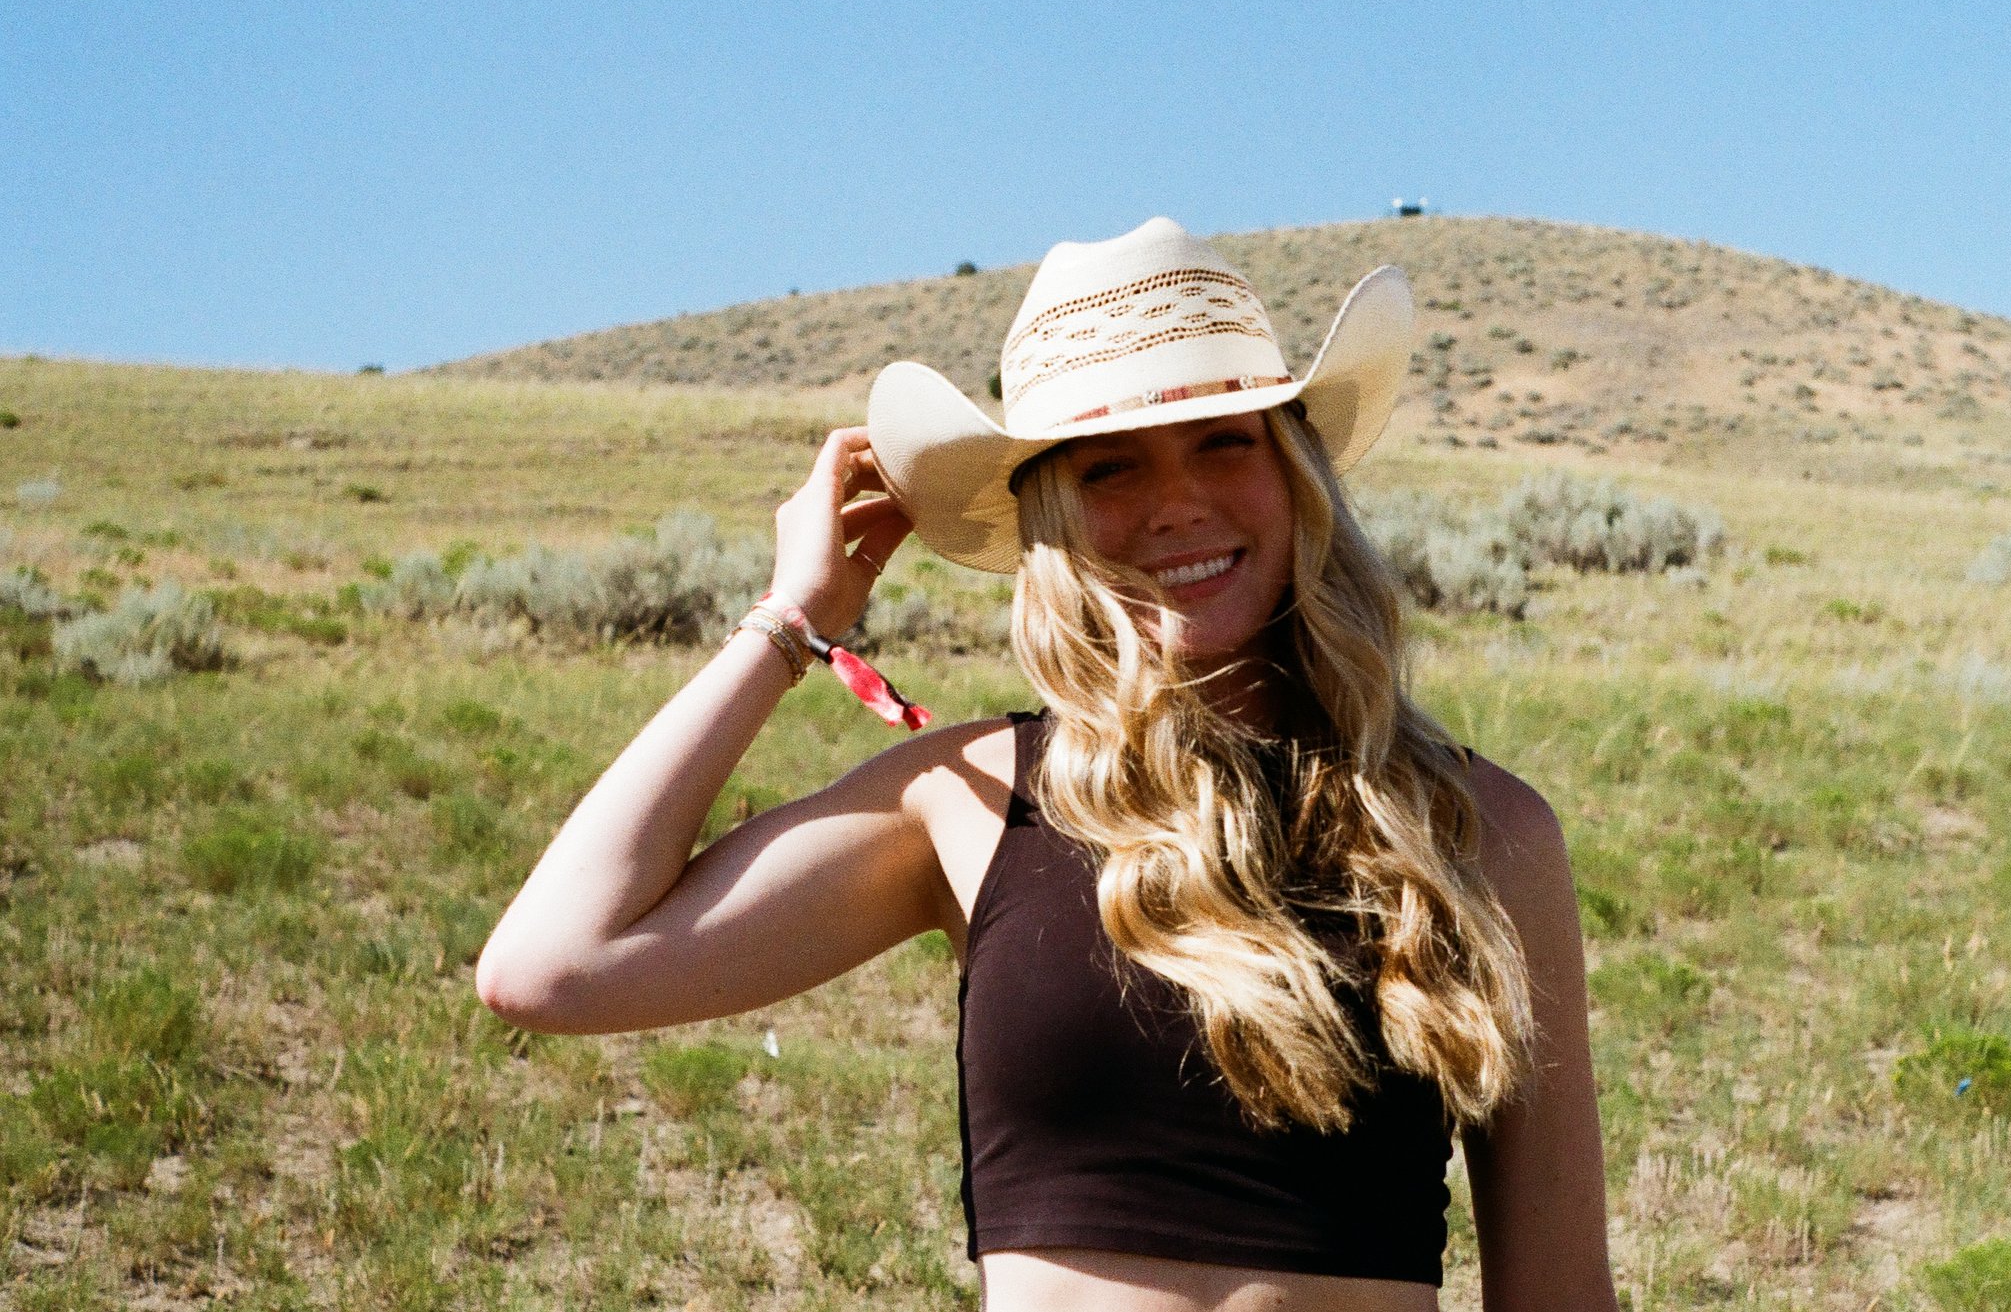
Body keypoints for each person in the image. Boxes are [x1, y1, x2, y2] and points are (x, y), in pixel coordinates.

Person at [475, 218, 1615, 1311]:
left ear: (1299, 476)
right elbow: (555, 964)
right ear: (1050, 517)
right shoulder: (965, 799)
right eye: (1109, 467)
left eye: (1226, 440)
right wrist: (791, 620)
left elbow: (1559, 1295)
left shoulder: (1479, 827)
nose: (1177, 501)